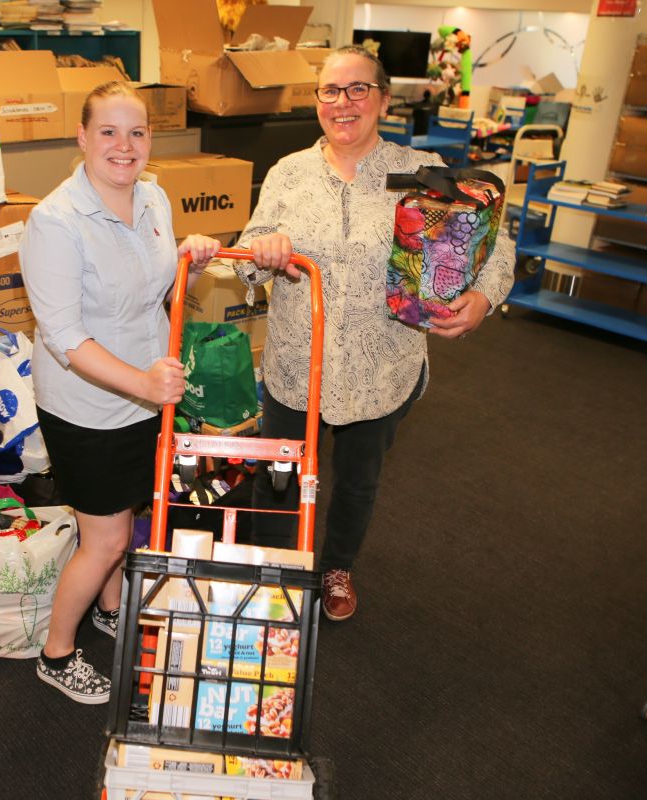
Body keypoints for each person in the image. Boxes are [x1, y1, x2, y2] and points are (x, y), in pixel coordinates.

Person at [236, 45, 514, 622]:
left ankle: (337, 567)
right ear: (317, 101)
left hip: (382, 366)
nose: (343, 103)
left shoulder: (421, 171)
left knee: (358, 481)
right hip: (295, 363)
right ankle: (272, 568)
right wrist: (260, 253)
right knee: (277, 476)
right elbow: (247, 250)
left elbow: (494, 241)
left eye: (358, 89)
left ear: (384, 99)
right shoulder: (288, 171)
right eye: (330, 92)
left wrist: (484, 298)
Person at [19, 81, 222, 704]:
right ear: (81, 137)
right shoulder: (54, 222)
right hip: (88, 405)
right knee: (104, 537)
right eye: (108, 131)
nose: (123, 145)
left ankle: (110, 610)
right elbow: (63, 335)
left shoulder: (154, 197)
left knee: (125, 511)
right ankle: (56, 653)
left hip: (146, 390)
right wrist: (143, 384)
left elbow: (154, 286)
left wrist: (188, 257)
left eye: (136, 132)